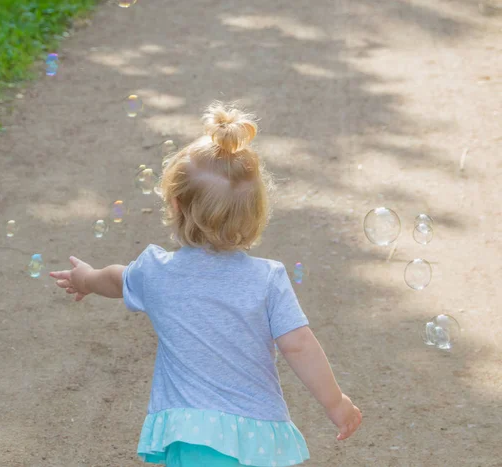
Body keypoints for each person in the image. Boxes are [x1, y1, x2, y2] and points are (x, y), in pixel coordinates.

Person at [50, 102, 362, 466]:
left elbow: (115, 278)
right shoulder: (268, 278)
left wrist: (84, 278)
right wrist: (335, 403)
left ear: (176, 203)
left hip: (191, 434)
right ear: (257, 212)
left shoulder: (155, 271)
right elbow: (298, 345)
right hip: (256, 440)